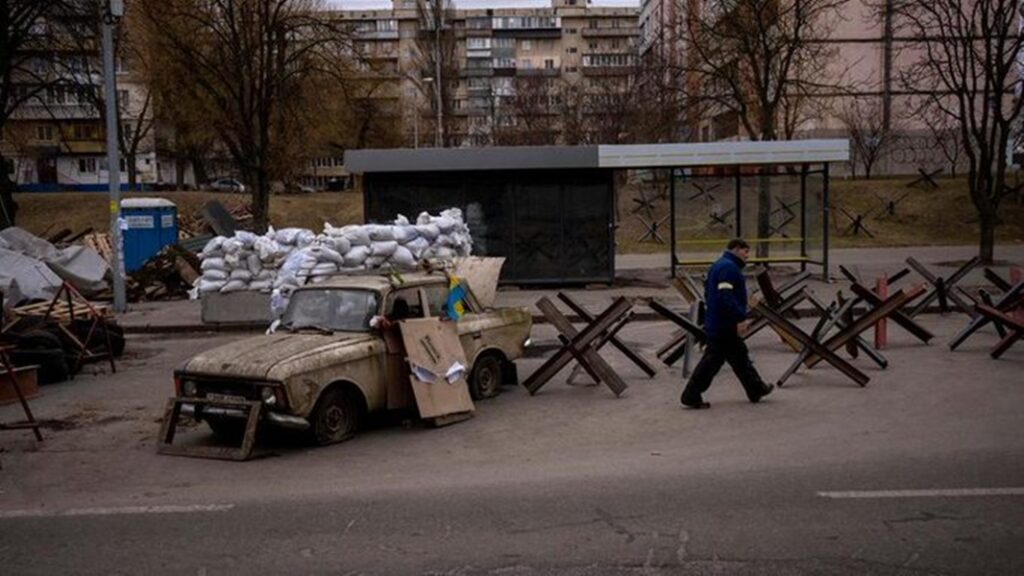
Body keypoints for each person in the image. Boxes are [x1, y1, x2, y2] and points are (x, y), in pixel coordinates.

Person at [680, 238, 774, 409]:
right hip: (724, 323)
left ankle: (756, 388)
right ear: (737, 249)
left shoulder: (720, 265)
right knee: (712, 361)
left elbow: (709, 291)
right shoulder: (729, 268)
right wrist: (739, 318)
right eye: (746, 251)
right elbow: (725, 296)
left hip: (719, 321)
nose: (747, 256)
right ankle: (691, 394)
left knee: (738, 356)